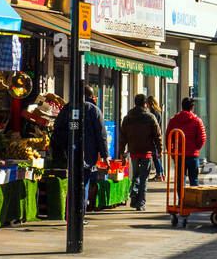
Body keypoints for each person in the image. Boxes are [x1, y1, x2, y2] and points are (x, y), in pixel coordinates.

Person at [50, 84, 109, 221]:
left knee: (72, 183)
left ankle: (69, 212)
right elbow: (101, 135)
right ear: (90, 96)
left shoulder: (67, 108)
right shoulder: (94, 110)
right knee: (83, 184)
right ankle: (79, 215)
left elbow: (57, 128)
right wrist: (105, 155)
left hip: (69, 152)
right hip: (87, 155)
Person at [119, 93, 161, 211]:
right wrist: (159, 149)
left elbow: (123, 137)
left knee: (136, 175)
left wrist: (122, 151)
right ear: (145, 104)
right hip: (146, 151)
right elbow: (157, 135)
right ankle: (140, 202)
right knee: (144, 178)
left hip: (134, 151)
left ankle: (134, 196)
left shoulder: (128, 118)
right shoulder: (150, 117)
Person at [165, 98, 207, 197]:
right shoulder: (197, 120)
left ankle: (181, 201)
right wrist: (196, 148)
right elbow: (202, 138)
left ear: (182, 106)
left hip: (179, 154)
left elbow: (168, 137)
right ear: (192, 107)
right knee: (194, 179)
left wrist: (171, 152)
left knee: (180, 179)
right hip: (192, 154)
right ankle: (195, 200)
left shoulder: (174, 120)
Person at [145, 95, 166, 181]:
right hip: (157, 136)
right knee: (156, 156)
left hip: (153, 137)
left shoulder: (153, 113)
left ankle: (159, 174)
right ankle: (161, 173)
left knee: (155, 156)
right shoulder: (158, 112)